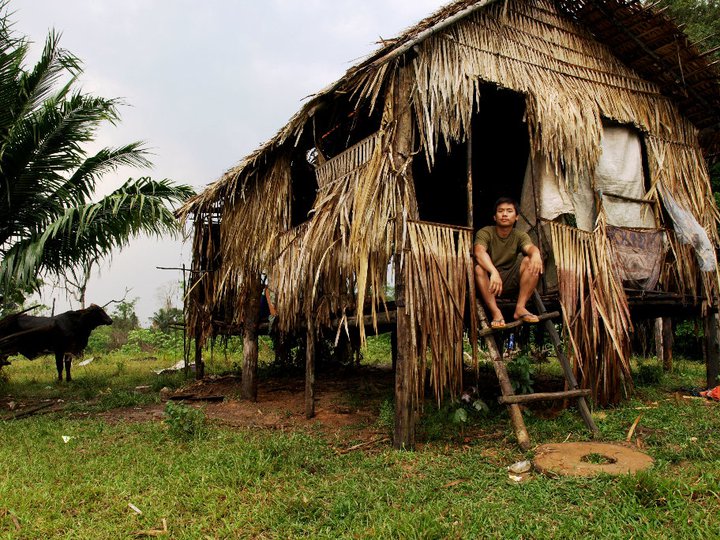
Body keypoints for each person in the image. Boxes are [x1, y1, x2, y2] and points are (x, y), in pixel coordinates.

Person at [473, 197, 543, 329]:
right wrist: (493, 272)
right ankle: (496, 313)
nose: (504, 214)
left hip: (510, 281)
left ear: (516, 217)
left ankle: (520, 308)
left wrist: (536, 254)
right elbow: (479, 252)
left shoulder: (520, 235)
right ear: (494, 217)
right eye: (501, 211)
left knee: (530, 260)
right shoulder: (485, 232)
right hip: (488, 283)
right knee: (478, 268)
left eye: (509, 211)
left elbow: (530, 248)